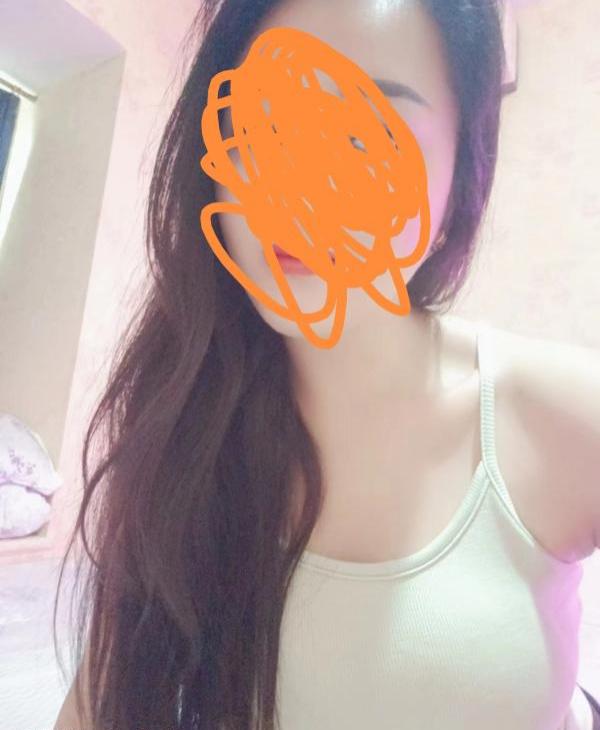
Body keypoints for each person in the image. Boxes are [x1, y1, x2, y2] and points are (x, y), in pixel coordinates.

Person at [52, 0, 600, 728]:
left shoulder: (561, 416)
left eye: (368, 134)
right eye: (266, 127)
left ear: (459, 185)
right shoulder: (181, 427)